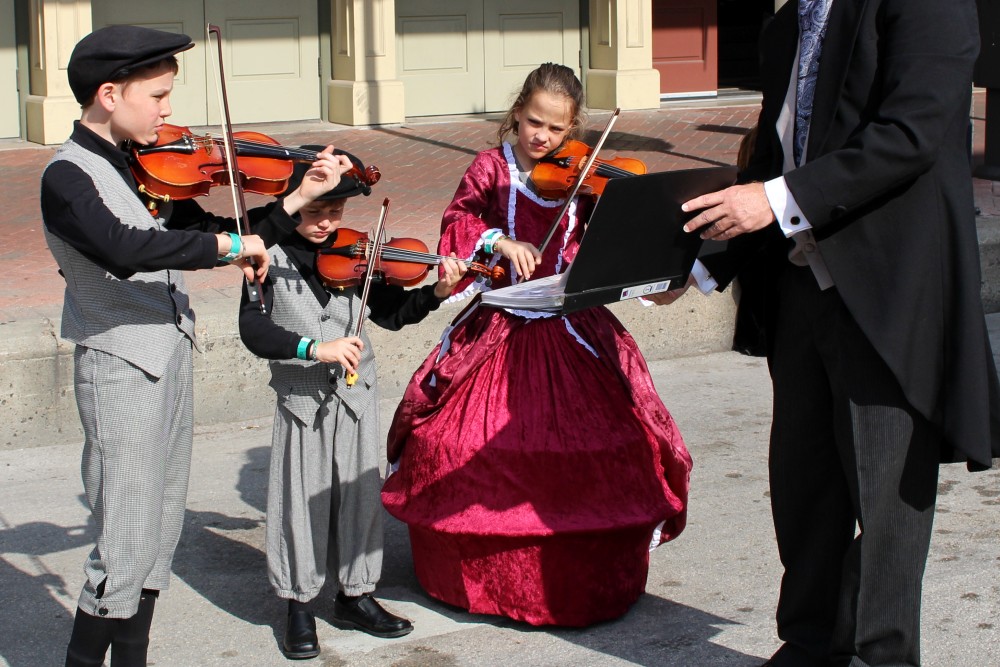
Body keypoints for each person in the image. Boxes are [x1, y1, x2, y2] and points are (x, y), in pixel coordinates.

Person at [652, 1, 1000, 665]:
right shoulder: (789, 26)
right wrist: (694, 265)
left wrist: (776, 201)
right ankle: (810, 644)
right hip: (801, 291)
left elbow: (912, 132)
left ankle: (880, 654)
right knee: (804, 484)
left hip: (889, 290)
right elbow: (773, 162)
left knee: (887, 498)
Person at [41, 25, 352, 667]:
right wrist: (229, 248)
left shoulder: (144, 167)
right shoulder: (68, 177)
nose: (166, 110)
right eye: (156, 96)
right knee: (124, 538)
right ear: (108, 95)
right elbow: (126, 250)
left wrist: (298, 199)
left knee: (159, 535)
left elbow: (225, 228)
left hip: (170, 360)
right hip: (119, 366)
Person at [381, 63, 692, 627]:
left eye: (555, 130)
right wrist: (499, 240)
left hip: (569, 316)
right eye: (532, 123)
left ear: (574, 128)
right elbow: (458, 219)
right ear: (517, 112)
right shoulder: (490, 168)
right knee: (458, 441)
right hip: (502, 317)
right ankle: (477, 576)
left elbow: (611, 237)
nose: (542, 139)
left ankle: (583, 571)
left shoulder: (583, 174)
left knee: (609, 438)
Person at [238, 148, 467, 659]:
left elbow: (390, 314)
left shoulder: (360, 254)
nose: (326, 224)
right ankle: (298, 604)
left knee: (360, 496)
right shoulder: (266, 254)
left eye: (336, 214)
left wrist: (436, 292)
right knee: (300, 501)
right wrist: (313, 348)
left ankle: (356, 594)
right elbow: (251, 328)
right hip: (300, 399)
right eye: (316, 211)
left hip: (356, 397)